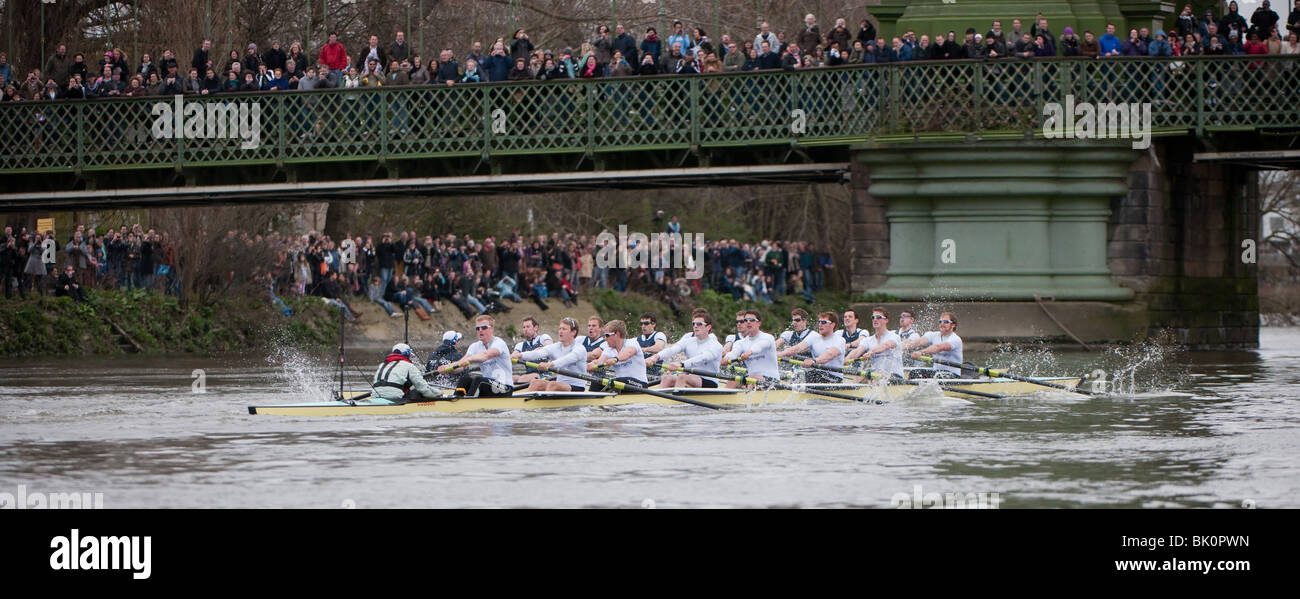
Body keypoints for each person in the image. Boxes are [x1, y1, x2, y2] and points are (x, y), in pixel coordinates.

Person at [647, 309, 724, 388]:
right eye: (693, 324)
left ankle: (676, 399)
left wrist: (681, 364)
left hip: (709, 380)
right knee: (666, 378)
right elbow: (672, 350)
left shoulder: (716, 345)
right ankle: (660, 400)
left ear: (708, 327)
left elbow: (703, 358)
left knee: (682, 377)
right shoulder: (688, 341)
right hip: (692, 377)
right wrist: (655, 357)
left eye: (699, 324)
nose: (695, 326)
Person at [444, 315, 515, 397]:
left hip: (505, 388)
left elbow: (486, 355)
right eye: (477, 328)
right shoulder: (474, 346)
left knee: (479, 380)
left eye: (484, 328)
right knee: (465, 379)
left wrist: (469, 359)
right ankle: (454, 402)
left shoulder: (499, 343)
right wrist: (447, 367)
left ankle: (467, 404)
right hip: (488, 386)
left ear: (491, 329)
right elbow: (460, 366)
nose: (480, 330)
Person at [512, 317, 589, 392]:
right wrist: (519, 355)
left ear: (573, 332)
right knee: (536, 383)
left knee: (553, 385)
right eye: (560, 329)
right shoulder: (556, 346)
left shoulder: (579, 348)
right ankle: (526, 403)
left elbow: (567, 359)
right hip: (560, 383)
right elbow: (537, 353)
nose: (560, 331)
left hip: (577, 386)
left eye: (564, 329)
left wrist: (550, 364)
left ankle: (544, 403)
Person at [777, 311, 846, 384]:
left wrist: (814, 361)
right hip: (816, 374)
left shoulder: (840, 340)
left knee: (808, 375)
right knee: (800, 375)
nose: (820, 325)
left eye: (823, 322)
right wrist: (779, 354)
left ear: (832, 324)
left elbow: (830, 355)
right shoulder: (814, 337)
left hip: (834, 377)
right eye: (819, 322)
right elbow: (797, 348)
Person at [719, 310, 779, 388]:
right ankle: (724, 398)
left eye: (752, 320)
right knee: (732, 380)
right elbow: (734, 353)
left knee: (752, 379)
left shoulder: (768, 337)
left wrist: (750, 352)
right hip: (752, 379)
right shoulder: (741, 343)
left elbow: (760, 346)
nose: (748, 322)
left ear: (759, 323)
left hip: (771, 380)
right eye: (745, 320)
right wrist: (726, 359)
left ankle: (747, 394)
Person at [845, 307, 903, 381]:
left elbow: (886, 345)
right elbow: (857, 351)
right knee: (858, 378)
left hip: (894, 376)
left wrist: (871, 352)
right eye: (873, 317)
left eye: (878, 317)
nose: (875, 319)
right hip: (877, 376)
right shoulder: (868, 340)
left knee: (875, 379)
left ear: (886, 320)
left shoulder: (894, 336)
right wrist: (846, 359)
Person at [587, 320, 649, 388]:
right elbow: (599, 362)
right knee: (596, 382)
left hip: (640, 384)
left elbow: (627, 354)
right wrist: (589, 366)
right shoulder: (609, 349)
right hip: (621, 385)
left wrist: (615, 359)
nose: (605, 339)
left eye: (607, 335)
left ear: (617, 334)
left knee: (620, 380)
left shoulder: (632, 343)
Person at [370, 343, 440, 404]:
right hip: (395, 397)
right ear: (407, 354)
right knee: (416, 392)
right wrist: (438, 394)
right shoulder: (409, 366)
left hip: (375, 395)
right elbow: (422, 387)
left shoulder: (382, 364)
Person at [905, 312, 964, 378]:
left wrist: (921, 352)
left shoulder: (955, 339)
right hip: (937, 372)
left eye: (945, 322)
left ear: (953, 325)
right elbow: (918, 342)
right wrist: (904, 347)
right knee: (914, 373)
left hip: (953, 375)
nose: (942, 324)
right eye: (940, 321)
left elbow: (938, 348)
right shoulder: (933, 335)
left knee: (937, 376)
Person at [512, 316, 554, 384]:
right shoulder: (520, 345)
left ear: (536, 328)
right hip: (529, 376)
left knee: (525, 377)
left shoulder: (543, 338)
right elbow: (513, 356)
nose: (525, 329)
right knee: (513, 378)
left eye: (528, 327)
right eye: (524, 327)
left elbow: (550, 347)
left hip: (545, 375)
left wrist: (534, 352)